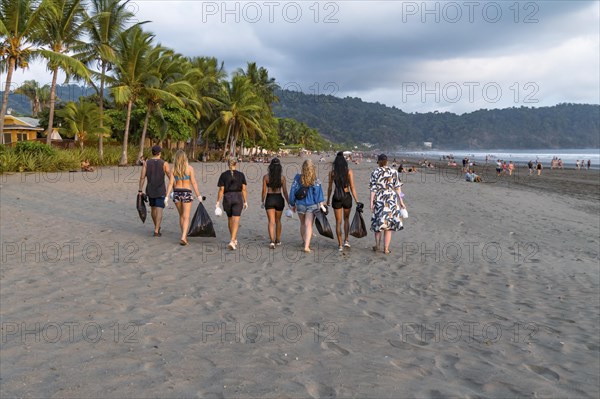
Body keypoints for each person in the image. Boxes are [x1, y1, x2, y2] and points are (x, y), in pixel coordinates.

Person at [369, 154, 406, 255]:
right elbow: (398, 188)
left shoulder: (375, 172)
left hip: (380, 199)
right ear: (387, 161)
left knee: (378, 224)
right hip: (391, 200)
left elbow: (373, 189)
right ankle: (386, 249)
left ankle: (377, 246)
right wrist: (401, 201)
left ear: (379, 161)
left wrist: (371, 202)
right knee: (389, 226)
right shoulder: (394, 171)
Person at [289, 159, 325, 253]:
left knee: (302, 224)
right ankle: (306, 246)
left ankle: (304, 241)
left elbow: (292, 190)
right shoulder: (315, 179)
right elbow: (318, 194)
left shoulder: (297, 177)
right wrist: (321, 204)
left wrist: (292, 203)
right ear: (312, 168)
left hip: (300, 204)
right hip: (311, 205)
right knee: (308, 225)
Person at [326, 152, 360, 251]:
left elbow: (329, 188)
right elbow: (352, 187)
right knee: (346, 219)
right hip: (346, 196)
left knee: (338, 222)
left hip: (336, 197)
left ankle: (340, 245)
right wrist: (357, 200)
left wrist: (328, 200)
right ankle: (346, 241)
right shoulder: (349, 172)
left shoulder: (332, 173)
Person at [216, 157, 248, 250]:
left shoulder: (223, 175)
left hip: (227, 198)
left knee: (230, 219)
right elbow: (244, 189)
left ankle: (233, 239)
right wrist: (245, 201)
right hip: (238, 197)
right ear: (236, 164)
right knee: (236, 220)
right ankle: (233, 240)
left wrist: (218, 201)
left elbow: (221, 189)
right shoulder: (241, 175)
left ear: (228, 164)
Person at [138, 145, 169, 237]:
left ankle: (156, 227)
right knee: (159, 209)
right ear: (159, 153)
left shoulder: (146, 163)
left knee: (153, 209)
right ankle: (156, 229)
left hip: (150, 190)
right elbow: (170, 176)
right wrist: (174, 188)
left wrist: (140, 190)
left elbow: (142, 177)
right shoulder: (164, 163)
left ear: (152, 152)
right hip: (160, 190)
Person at [261, 158, 290, 249]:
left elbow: (264, 191)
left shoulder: (266, 177)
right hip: (279, 199)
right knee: (278, 221)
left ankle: (272, 241)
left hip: (269, 199)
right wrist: (289, 202)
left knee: (271, 221)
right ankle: (278, 240)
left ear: (271, 166)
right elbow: (285, 191)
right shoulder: (282, 178)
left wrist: (262, 201)